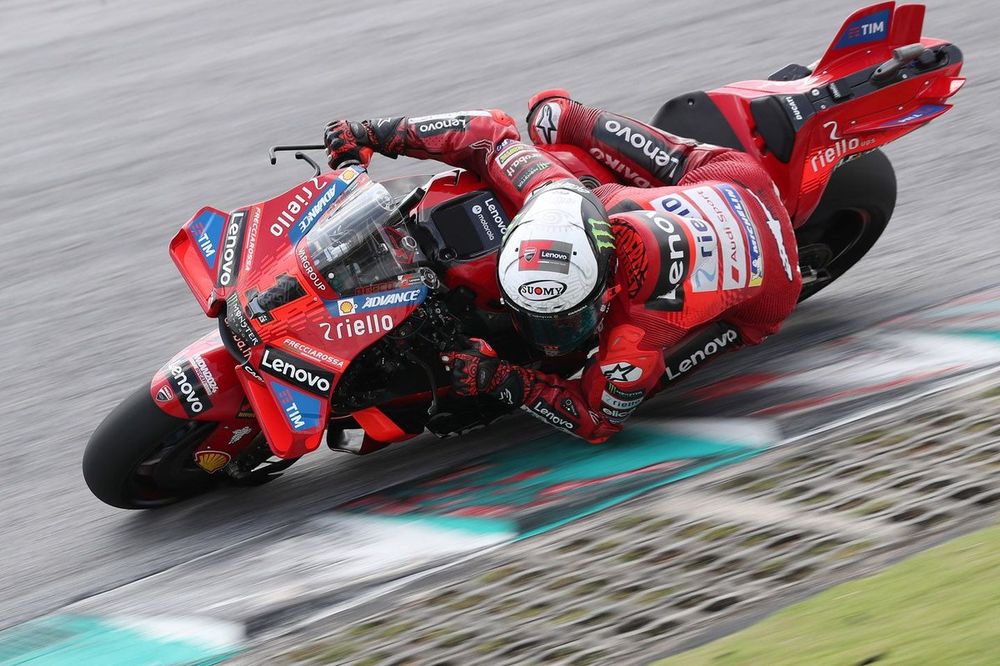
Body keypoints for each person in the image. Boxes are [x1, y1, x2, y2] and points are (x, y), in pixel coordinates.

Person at [324, 90, 802, 443]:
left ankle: (738, 327)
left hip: (762, 264)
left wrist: (504, 379)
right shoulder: (555, 195)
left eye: (564, 318)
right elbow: (488, 132)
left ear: (607, 292)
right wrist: (374, 134)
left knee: (634, 384)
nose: (544, 334)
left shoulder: (635, 334)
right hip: (720, 189)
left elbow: (596, 422)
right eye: (529, 313)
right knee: (549, 115)